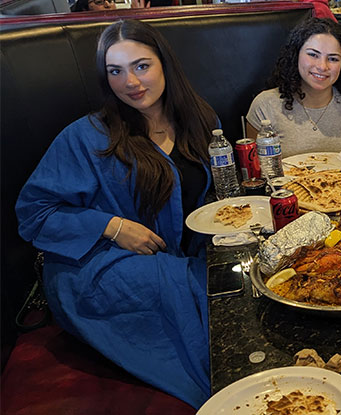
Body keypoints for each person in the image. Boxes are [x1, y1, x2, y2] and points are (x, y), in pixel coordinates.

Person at [15, 20, 217, 408]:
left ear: (165, 64)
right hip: (96, 266)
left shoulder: (201, 120)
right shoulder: (86, 136)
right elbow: (34, 213)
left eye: (142, 66)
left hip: (178, 253)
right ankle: (221, 386)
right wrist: (112, 226)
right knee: (173, 281)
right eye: (115, 71)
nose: (130, 82)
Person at [246, 18, 341, 156]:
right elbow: (256, 170)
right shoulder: (265, 105)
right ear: (296, 55)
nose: (322, 66)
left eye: (333, 59)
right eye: (313, 55)